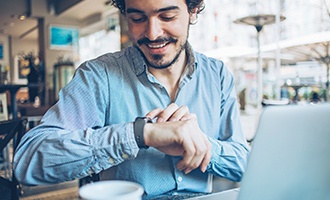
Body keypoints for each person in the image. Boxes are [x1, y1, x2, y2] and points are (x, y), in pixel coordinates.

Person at [13, 0, 250, 199]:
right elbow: (28, 161)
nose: (152, 33)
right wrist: (139, 135)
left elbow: (243, 163)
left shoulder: (217, 74)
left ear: (193, 11)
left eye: (167, 17)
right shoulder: (98, 76)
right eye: (137, 19)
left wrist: (198, 144)